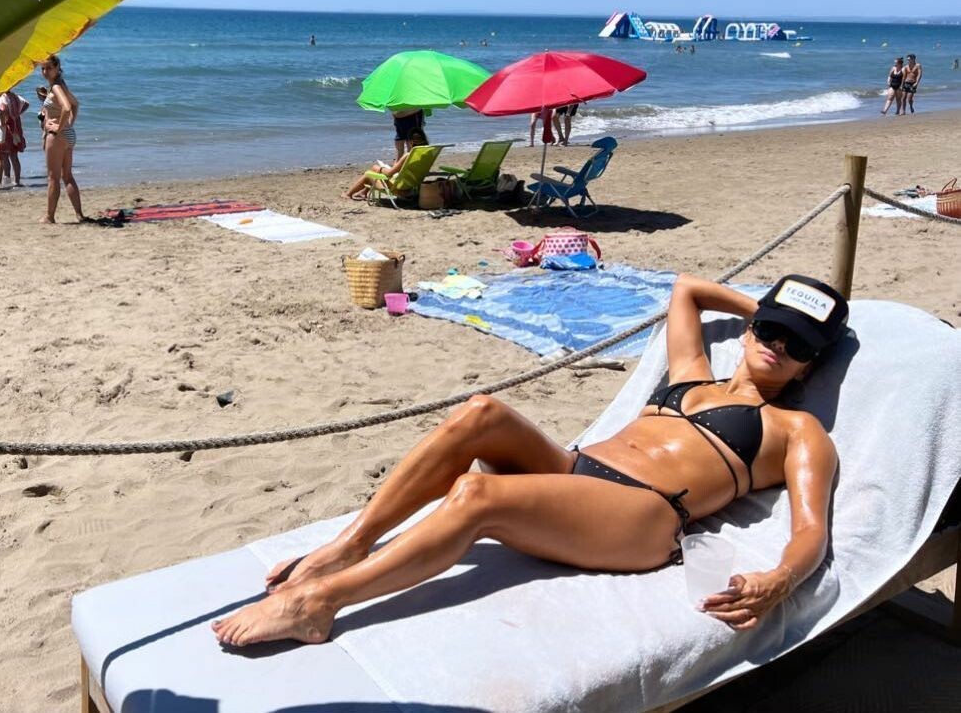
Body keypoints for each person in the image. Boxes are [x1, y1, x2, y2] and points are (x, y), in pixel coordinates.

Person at [212, 273, 848, 646]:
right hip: (575, 474)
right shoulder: (693, 372)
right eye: (771, 331)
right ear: (752, 329)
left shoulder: (798, 431)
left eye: (797, 346)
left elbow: (811, 530)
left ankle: (321, 602)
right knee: (480, 413)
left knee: (475, 495)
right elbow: (687, 290)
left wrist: (781, 578)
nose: (777, 346)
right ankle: (351, 545)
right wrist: (772, 310)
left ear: (809, 367)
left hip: (644, 517)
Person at [39, 55, 86, 224]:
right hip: (68, 135)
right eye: (43, 69)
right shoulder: (60, 84)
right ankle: (79, 215)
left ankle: (49, 216)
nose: (45, 72)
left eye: (49, 68)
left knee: (53, 178)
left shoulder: (57, 87)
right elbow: (75, 104)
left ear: (57, 68)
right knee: (67, 176)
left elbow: (67, 107)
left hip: (58, 137)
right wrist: (68, 125)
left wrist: (58, 128)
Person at [346, 129, 429, 200]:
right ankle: (363, 192)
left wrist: (380, 168)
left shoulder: (408, 155)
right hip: (412, 187)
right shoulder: (427, 154)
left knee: (370, 173)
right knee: (376, 170)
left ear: (410, 141)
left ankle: (348, 194)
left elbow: (389, 173)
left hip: (399, 189)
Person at [0, 88, 29, 186]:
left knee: (2, 155)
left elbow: (2, 109)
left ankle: (2, 181)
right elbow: (26, 104)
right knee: (14, 156)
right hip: (16, 128)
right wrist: (18, 113)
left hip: (7, 129)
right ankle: (16, 181)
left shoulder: (3, 97)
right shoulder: (14, 96)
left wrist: (2, 122)